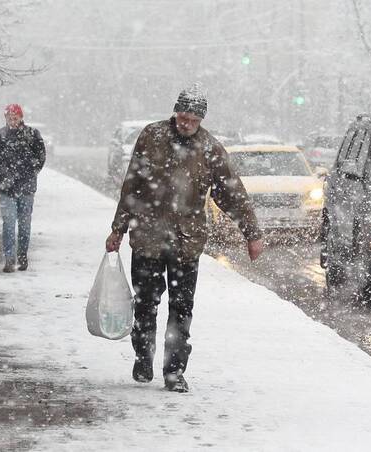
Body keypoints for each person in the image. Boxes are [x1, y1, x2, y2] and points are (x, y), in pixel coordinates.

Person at [105, 84, 264, 393]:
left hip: (185, 243)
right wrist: (118, 228)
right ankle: (143, 355)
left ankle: (175, 371)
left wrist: (252, 233)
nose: (186, 123)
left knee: (181, 309)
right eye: (182, 116)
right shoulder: (151, 137)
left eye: (193, 119)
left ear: (201, 119)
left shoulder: (210, 148)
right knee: (146, 305)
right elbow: (132, 185)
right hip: (148, 238)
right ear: (175, 112)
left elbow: (231, 193)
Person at [0, 104, 46, 273]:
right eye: (9, 117)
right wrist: (5, 174)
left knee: (24, 223)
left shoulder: (33, 134)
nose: (12, 120)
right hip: (7, 188)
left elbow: (41, 156)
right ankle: (9, 258)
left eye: (15, 117)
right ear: (5, 118)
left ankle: (22, 255)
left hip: (27, 187)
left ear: (21, 117)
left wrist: (31, 171)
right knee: (8, 223)